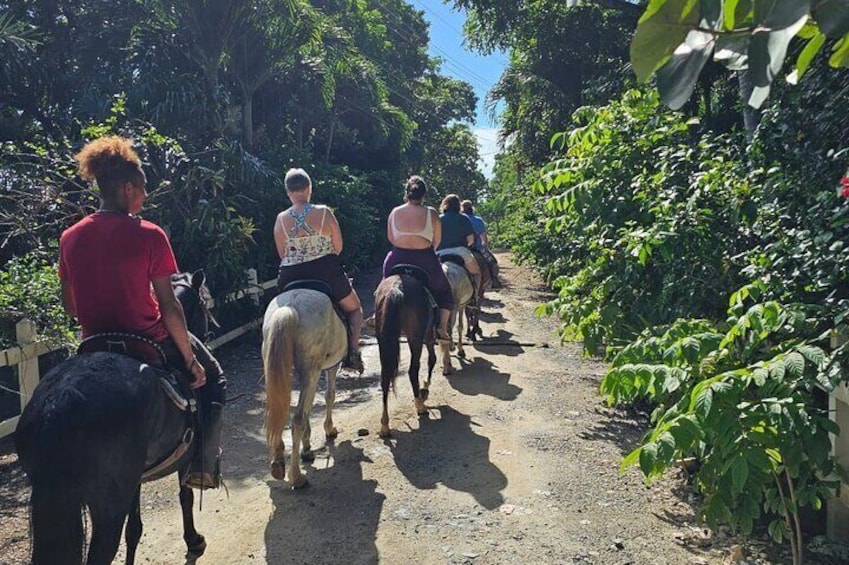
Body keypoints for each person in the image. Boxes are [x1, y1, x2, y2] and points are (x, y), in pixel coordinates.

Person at [60, 135, 225, 490]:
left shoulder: (69, 237)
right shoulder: (150, 235)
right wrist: (190, 361)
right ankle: (202, 465)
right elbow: (170, 307)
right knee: (215, 378)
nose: (146, 196)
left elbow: (70, 306)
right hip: (146, 339)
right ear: (128, 187)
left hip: (93, 344)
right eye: (143, 188)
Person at [274, 168, 364, 373]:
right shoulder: (324, 212)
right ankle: (352, 352)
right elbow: (338, 246)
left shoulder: (280, 219)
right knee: (354, 309)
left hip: (289, 275)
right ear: (309, 189)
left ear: (288, 192)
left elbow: (282, 253)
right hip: (324, 270)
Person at [382, 175, 453, 342]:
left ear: (406, 194)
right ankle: (442, 327)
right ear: (424, 195)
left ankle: (377, 315)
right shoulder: (432, 213)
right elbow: (437, 241)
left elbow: (391, 238)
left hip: (397, 257)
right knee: (444, 292)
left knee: (384, 285)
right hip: (424, 259)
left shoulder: (395, 212)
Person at [436, 194, 482, 298]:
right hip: (461, 252)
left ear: (444, 205)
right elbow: (471, 240)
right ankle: (474, 299)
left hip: (439, 253)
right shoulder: (464, 218)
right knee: (477, 274)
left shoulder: (438, 219)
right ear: (458, 206)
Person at [461, 199, 501, 288]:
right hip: (477, 248)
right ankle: (494, 280)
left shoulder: (460, 220)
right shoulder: (478, 220)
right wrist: (485, 247)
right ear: (472, 208)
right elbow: (484, 239)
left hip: (462, 248)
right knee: (493, 262)